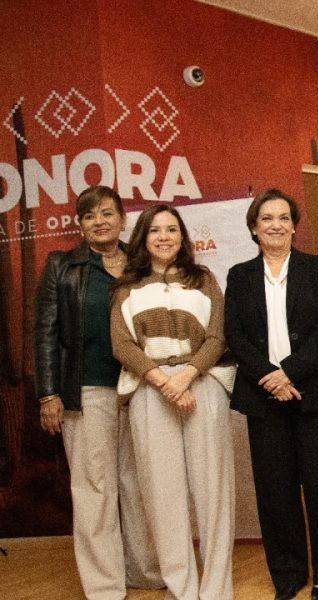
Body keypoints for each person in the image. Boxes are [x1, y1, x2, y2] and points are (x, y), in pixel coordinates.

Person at [33, 185, 162, 599]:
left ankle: (143, 570)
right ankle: (105, 585)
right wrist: (48, 394)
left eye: (107, 213)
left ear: (123, 219)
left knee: (138, 483)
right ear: (80, 225)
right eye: (89, 216)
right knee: (95, 488)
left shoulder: (142, 264)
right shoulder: (62, 266)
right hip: (87, 391)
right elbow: (45, 333)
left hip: (140, 389)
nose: (99, 221)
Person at [225, 189, 318, 600]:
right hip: (263, 397)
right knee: (275, 492)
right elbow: (235, 335)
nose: (275, 225)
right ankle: (288, 576)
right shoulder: (239, 276)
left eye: (283, 217)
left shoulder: (316, 268)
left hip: (312, 393)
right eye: (266, 218)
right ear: (253, 228)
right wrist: (269, 377)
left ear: (294, 226)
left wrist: (288, 373)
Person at [110, 204, 235, 600]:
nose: (164, 237)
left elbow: (217, 336)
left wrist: (186, 376)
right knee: (163, 496)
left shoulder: (204, 280)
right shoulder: (127, 288)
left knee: (213, 492)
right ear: (143, 238)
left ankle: (215, 590)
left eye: (171, 230)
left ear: (183, 237)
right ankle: (182, 589)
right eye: (155, 230)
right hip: (150, 391)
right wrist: (163, 382)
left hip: (203, 385)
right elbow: (122, 345)